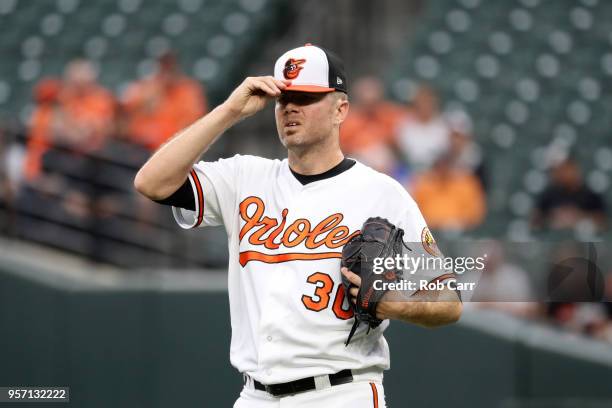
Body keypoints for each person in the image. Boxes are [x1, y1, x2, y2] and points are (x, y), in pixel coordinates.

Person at [134, 44, 461, 407]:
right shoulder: (244, 177)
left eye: (306, 97)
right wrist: (229, 111)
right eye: (283, 98)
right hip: (254, 395)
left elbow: (448, 301)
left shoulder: (382, 193)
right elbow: (152, 182)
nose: (290, 107)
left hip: (341, 392)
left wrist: (395, 305)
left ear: (341, 110)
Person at [122, 51, 208, 150]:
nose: (167, 72)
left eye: (170, 67)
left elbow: (193, 126)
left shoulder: (189, 91)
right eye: (164, 67)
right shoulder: (147, 87)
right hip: (137, 146)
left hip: (170, 149)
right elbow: (127, 112)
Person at [410, 152, 486, 231]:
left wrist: (459, 223)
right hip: (429, 231)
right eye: (440, 167)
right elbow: (414, 213)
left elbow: (475, 213)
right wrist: (434, 224)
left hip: (461, 232)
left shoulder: (467, 185)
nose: (444, 170)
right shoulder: (423, 185)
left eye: (447, 166)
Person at [531, 157, 607, 231]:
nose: (564, 173)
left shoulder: (591, 195)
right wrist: (553, 217)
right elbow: (534, 222)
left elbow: (604, 223)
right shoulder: (549, 194)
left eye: (567, 168)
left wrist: (579, 216)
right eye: (561, 169)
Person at [395, 84, 450, 171]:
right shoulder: (404, 125)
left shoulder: (443, 127)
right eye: (422, 101)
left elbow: (443, 155)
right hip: (409, 171)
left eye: (428, 101)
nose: (425, 105)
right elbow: (400, 152)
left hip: (435, 173)